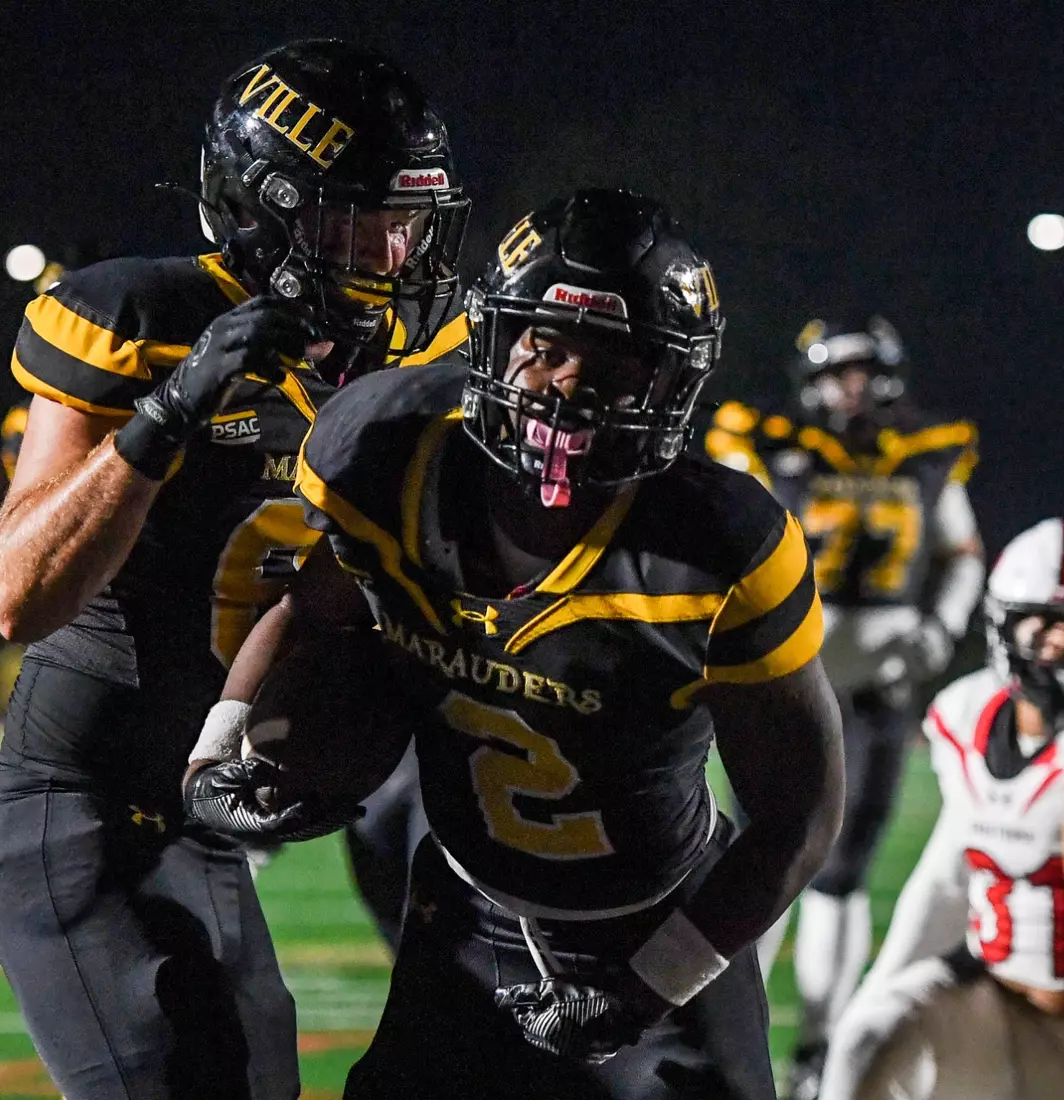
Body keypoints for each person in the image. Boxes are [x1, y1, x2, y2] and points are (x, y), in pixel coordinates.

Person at [188, 188, 846, 1099]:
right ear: (494, 338)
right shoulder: (386, 452)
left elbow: (800, 813)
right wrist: (219, 749)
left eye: (618, 362)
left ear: (671, 383)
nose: (570, 384)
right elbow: (316, 608)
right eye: (547, 346)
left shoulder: (715, 549)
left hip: (654, 922)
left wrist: (647, 988)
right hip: (462, 911)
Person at [0, 38, 469, 1100]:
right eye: (361, 219)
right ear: (264, 207)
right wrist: (170, 410)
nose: (393, 250)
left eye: (409, 219)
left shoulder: (411, 349)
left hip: (203, 816)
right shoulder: (139, 318)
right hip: (80, 805)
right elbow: (17, 595)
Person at [820, 517, 1064, 1100]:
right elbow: (949, 871)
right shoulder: (964, 712)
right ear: (1005, 628)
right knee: (864, 1039)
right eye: (1045, 623)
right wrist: (878, 993)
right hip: (982, 1001)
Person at [703, 315, 985, 1097]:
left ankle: (817, 1052)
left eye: (858, 371)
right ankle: (734, 1038)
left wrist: (943, 624)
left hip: (877, 685)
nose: (847, 387)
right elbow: (729, 542)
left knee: (840, 874)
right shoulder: (771, 443)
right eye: (834, 373)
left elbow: (962, 552)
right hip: (786, 680)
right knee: (761, 861)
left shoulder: (926, 451)